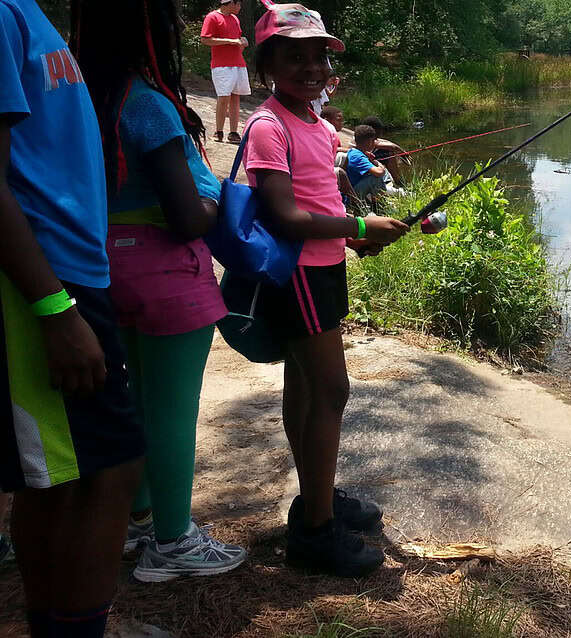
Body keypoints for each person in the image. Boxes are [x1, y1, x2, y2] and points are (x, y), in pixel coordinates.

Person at [71, 0, 247, 582]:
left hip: (106, 270)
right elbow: (186, 219)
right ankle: (174, 542)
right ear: (152, 34)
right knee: (172, 412)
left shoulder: (83, 97)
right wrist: (214, 195)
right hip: (168, 280)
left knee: (137, 399)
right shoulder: (147, 105)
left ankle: (141, 518)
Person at [245, 3, 408, 577]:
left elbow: (323, 202)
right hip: (301, 275)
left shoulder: (314, 123)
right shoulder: (268, 125)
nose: (311, 66)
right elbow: (287, 217)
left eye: (319, 55)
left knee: (308, 387)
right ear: (266, 63)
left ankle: (316, 494)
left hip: (325, 266)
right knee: (332, 392)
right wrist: (361, 226)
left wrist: (355, 237)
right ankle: (315, 530)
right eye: (295, 55)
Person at [0, 1, 146, 635]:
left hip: (71, 273)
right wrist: (54, 308)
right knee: (105, 472)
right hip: (43, 280)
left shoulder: (27, 11)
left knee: (60, 479)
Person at [200, 0, 250, 143]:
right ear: (230, 4)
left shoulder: (235, 19)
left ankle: (233, 133)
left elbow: (237, 42)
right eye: (238, 4)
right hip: (221, 65)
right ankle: (219, 131)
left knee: (235, 97)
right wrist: (229, 41)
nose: (240, 7)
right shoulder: (213, 17)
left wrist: (243, 43)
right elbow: (205, 39)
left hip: (238, 63)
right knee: (224, 97)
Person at [344, 125, 394, 201]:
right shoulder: (357, 156)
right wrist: (377, 163)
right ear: (368, 141)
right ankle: (381, 205)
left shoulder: (356, 152)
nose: (375, 143)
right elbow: (379, 172)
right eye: (373, 140)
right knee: (375, 178)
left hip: (356, 188)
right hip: (352, 196)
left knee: (376, 175)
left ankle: (378, 201)